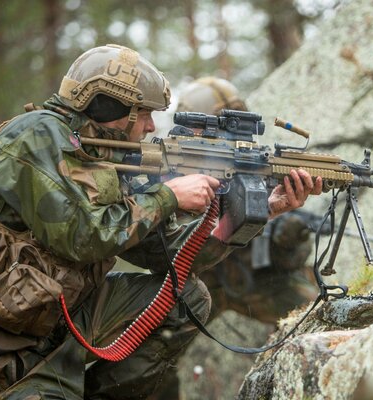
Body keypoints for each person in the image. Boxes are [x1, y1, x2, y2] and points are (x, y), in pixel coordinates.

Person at [0, 44, 321, 399]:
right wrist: (170, 196)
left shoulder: (109, 158)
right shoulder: (36, 135)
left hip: (54, 320)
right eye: (143, 113)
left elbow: (173, 259)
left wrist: (260, 213)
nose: (149, 127)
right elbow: (84, 236)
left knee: (187, 297)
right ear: (108, 105)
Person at [149, 77, 321, 399]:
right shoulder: (166, 165)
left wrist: (287, 236)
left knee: (316, 317)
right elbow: (153, 245)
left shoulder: (253, 164)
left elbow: (287, 265)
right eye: (216, 127)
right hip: (193, 282)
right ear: (193, 127)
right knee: (153, 357)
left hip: (251, 279)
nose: (227, 136)